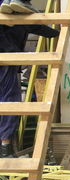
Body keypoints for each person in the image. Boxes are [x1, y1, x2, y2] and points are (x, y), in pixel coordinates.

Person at [0, 22, 59, 157]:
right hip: (5, 58)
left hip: (8, 57)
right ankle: (5, 147)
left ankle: (5, 146)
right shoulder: (9, 5)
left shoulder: (17, 9)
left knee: (9, 100)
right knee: (10, 101)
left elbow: (33, 25)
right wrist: (11, 51)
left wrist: (57, 33)